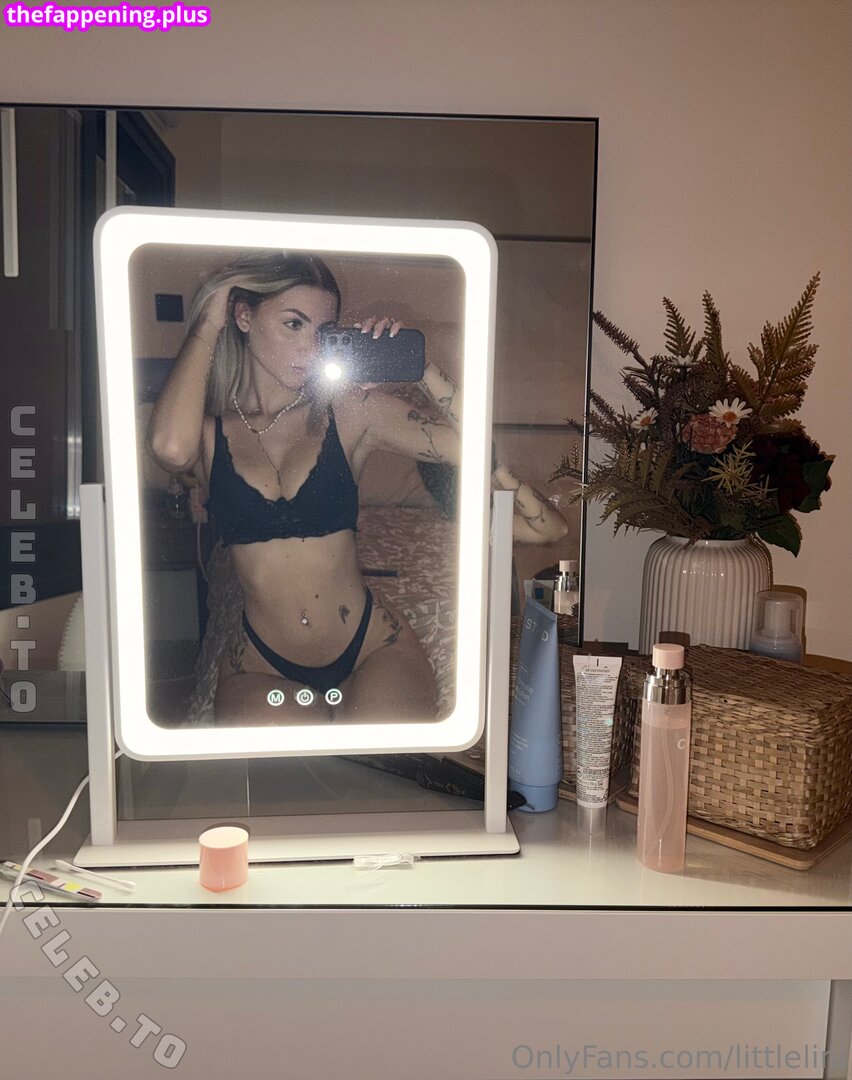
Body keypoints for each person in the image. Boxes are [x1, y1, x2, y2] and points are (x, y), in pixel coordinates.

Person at [147, 251, 568, 724]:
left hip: (371, 645)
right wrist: (210, 321)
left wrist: (419, 366)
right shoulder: (209, 434)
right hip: (261, 663)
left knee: (386, 767)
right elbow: (169, 449)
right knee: (288, 773)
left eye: (323, 331)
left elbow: (474, 444)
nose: (310, 347)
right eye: (293, 324)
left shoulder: (351, 412)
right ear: (244, 317)